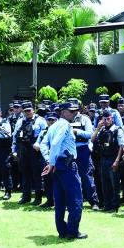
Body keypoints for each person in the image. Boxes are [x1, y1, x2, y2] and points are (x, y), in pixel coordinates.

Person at [39, 102, 86, 239]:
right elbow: (54, 144)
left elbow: (43, 144)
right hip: (67, 165)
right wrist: (51, 162)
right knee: (75, 199)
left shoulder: (53, 126)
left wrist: (49, 161)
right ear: (63, 112)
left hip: (59, 166)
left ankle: (62, 231)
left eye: (75, 111)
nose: (74, 113)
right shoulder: (64, 125)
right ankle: (72, 231)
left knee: (59, 201)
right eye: (71, 111)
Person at [12, 102, 48, 205]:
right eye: (25, 110)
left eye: (29, 110)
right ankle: (26, 196)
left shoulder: (40, 121)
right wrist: (14, 150)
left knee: (36, 174)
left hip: (35, 150)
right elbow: (15, 136)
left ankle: (38, 198)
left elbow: (46, 134)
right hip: (23, 150)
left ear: (33, 109)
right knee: (25, 173)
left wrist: (40, 145)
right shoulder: (20, 121)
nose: (28, 112)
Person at [91, 110, 124, 212]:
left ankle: (115, 206)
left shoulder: (117, 130)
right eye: (104, 119)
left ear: (112, 119)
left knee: (114, 184)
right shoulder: (101, 130)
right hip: (103, 159)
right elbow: (92, 140)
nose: (106, 121)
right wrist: (97, 128)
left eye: (108, 119)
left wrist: (117, 161)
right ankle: (107, 205)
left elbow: (121, 146)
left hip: (113, 158)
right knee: (105, 183)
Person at [69, 99, 99, 210]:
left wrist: (77, 131)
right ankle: (76, 201)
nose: (73, 111)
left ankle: (94, 202)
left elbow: (90, 135)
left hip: (83, 149)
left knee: (86, 176)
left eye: (75, 108)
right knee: (72, 177)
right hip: (70, 151)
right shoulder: (65, 120)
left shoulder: (85, 119)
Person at [35, 110, 57, 209]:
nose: (51, 122)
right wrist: (36, 145)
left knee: (57, 181)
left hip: (56, 159)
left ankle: (58, 201)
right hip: (45, 158)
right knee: (47, 180)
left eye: (53, 120)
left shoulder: (59, 131)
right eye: (49, 120)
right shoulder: (43, 132)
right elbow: (37, 143)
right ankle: (49, 200)